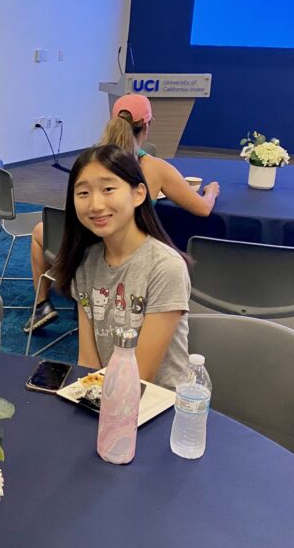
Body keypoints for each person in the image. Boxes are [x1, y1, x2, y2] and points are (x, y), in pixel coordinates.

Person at [24, 93, 217, 332]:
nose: (97, 204)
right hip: (126, 252)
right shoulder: (155, 168)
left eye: (109, 190)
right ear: (146, 126)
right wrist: (212, 191)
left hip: (86, 245)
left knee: (39, 231)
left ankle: (42, 304)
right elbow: (202, 208)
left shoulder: (91, 161)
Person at [50, 144, 190, 390]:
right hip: (107, 394)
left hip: (159, 404)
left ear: (138, 194)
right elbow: (88, 363)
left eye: (108, 189)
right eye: (83, 193)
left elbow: (142, 375)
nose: (95, 204)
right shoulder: (84, 263)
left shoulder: (165, 267)